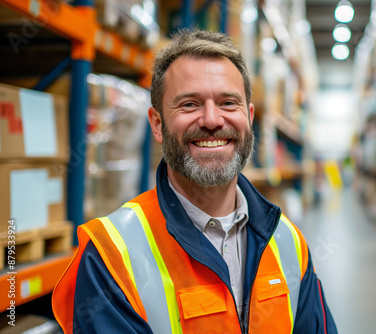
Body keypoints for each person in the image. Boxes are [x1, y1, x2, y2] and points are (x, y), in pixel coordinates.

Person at [53, 29, 337, 334]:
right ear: (158, 124)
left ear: (249, 118)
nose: (212, 120)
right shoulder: (110, 256)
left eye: (229, 103)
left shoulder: (289, 244)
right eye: (190, 104)